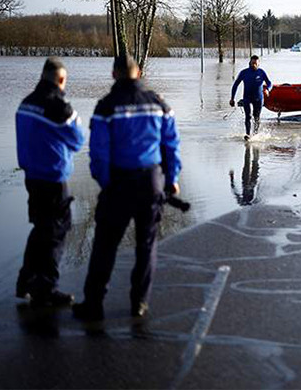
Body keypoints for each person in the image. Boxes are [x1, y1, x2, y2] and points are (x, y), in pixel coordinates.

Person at [72, 55, 181, 321]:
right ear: (139, 72)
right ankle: (139, 302)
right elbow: (172, 145)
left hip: (119, 183)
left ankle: (94, 304)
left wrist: (105, 182)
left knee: (105, 245)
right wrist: (171, 179)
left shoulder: (106, 106)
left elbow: (98, 152)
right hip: (151, 182)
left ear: (113, 74)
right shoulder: (159, 104)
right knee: (146, 245)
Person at [15, 57, 85, 307]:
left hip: (31, 176)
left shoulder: (25, 103)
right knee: (56, 231)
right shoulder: (58, 106)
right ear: (61, 79)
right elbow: (78, 140)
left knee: (40, 229)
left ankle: (25, 282)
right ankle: (47, 287)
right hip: (53, 177)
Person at [230, 55, 272, 139]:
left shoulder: (261, 72)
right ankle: (248, 134)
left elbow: (269, 83)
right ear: (250, 63)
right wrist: (232, 98)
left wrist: (267, 89)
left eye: (256, 63)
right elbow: (235, 85)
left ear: (258, 64)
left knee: (256, 117)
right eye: (253, 63)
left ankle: (255, 134)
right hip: (247, 97)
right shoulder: (244, 72)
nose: (254, 65)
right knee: (248, 116)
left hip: (259, 98)